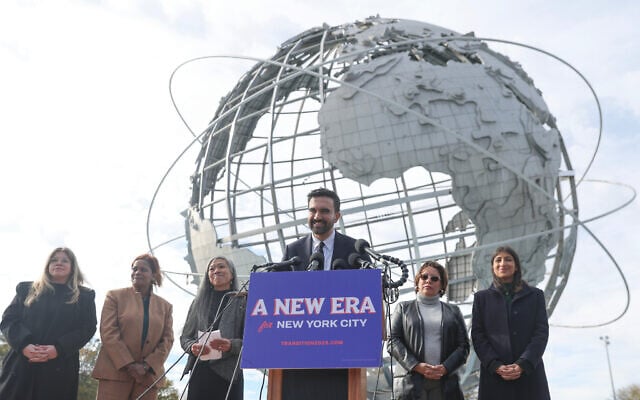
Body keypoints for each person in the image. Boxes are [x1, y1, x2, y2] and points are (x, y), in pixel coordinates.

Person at [280, 187, 370, 399]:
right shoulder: (293, 251)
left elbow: (368, 297)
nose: (317, 216)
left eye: (324, 211)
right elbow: (280, 295)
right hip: (298, 354)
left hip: (343, 355)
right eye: (312, 211)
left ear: (336, 216)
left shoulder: (355, 249)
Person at [0, 247, 97, 400]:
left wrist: (58, 349)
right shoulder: (26, 290)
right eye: (54, 260)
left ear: (73, 267)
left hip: (59, 367)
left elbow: (87, 328)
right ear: (47, 265)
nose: (59, 263)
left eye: (65, 260)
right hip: (21, 364)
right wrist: (24, 345)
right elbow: (9, 320)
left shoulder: (84, 297)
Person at [471, 246, 550, 400]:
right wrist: (495, 365)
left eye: (508, 259)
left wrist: (523, 363)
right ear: (493, 267)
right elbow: (478, 335)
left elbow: (541, 333)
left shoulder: (536, 296)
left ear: (516, 266)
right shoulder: (481, 299)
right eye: (498, 260)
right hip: (494, 377)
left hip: (530, 376)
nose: (503, 263)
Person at [92, 253, 174, 400]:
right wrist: (129, 364)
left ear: (153, 275)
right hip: (115, 374)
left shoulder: (165, 307)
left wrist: (147, 366)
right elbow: (108, 332)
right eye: (134, 269)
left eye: (143, 269)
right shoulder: (114, 297)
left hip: (147, 378)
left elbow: (167, 340)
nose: (137, 272)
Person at [388, 261, 470, 400]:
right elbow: (393, 341)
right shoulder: (403, 308)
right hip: (410, 381)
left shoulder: (454, 311)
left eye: (434, 278)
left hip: (445, 382)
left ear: (442, 285)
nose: (428, 281)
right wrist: (416, 365)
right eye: (424, 276)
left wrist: (445, 367)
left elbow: (464, 346)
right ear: (417, 281)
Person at [180, 256, 246, 400]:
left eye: (221, 266)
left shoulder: (244, 301)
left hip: (229, 375)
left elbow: (253, 341)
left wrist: (231, 345)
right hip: (200, 372)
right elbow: (185, 338)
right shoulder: (197, 303)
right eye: (212, 268)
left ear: (232, 273)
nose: (216, 270)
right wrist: (192, 347)